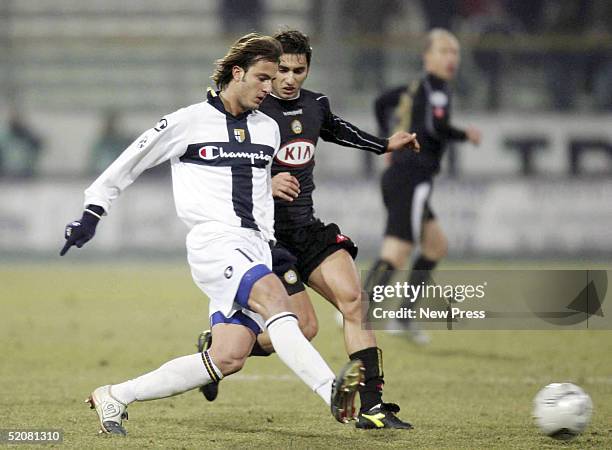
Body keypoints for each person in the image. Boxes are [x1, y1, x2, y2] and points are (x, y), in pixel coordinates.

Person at [60, 33, 364, 436]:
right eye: (262, 78)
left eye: (272, 80)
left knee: (228, 357)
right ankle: (332, 393)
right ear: (236, 73)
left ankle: (115, 394)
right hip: (215, 244)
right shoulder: (188, 121)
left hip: (258, 247)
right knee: (277, 305)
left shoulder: (268, 129)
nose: (268, 88)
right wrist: (92, 212)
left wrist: (270, 223)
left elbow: (256, 191)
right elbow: (128, 162)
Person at [197, 29, 420, 430]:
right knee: (305, 328)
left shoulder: (315, 105)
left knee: (355, 301)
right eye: (280, 69)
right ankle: (219, 352)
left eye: (298, 70)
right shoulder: (249, 112)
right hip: (268, 239)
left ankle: (372, 406)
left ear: (307, 69)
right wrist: (265, 185)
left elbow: (337, 129)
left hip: (308, 229)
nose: (288, 79)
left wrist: (386, 144)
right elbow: (220, 170)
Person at [364, 29, 481, 343]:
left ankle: (401, 318)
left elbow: (380, 103)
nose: (450, 58)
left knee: (435, 246)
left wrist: (387, 142)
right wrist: (464, 135)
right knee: (398, 249)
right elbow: (437, 126)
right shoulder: (438, 88)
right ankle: (357, 306)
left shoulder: (415, 88)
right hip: (412, 177)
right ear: (426, 56)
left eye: (454, 52)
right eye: (443, 51)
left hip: (403, 175)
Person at [0, 109, 43, 178]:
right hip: (6, 174)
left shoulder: (30, 138)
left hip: (24, 174)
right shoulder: (5, 137)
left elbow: (38, 145)